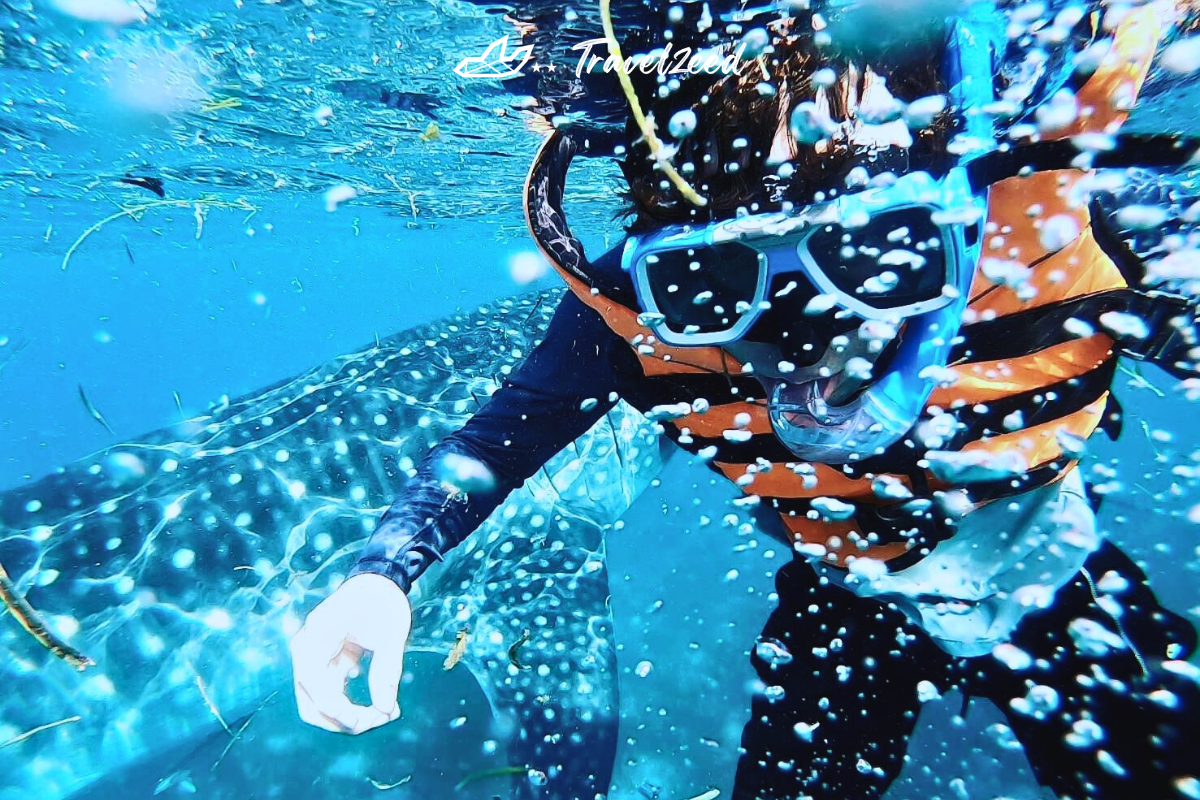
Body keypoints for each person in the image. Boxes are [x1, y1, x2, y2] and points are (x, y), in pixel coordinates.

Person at [290, 0, 1200, 797]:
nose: (802, 334)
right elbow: (492, 445)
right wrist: (381, 573)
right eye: (716, 285)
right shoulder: (628, 309)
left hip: (1050, 573)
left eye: (869, 260)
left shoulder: (1053, 218)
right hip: (844, 600)